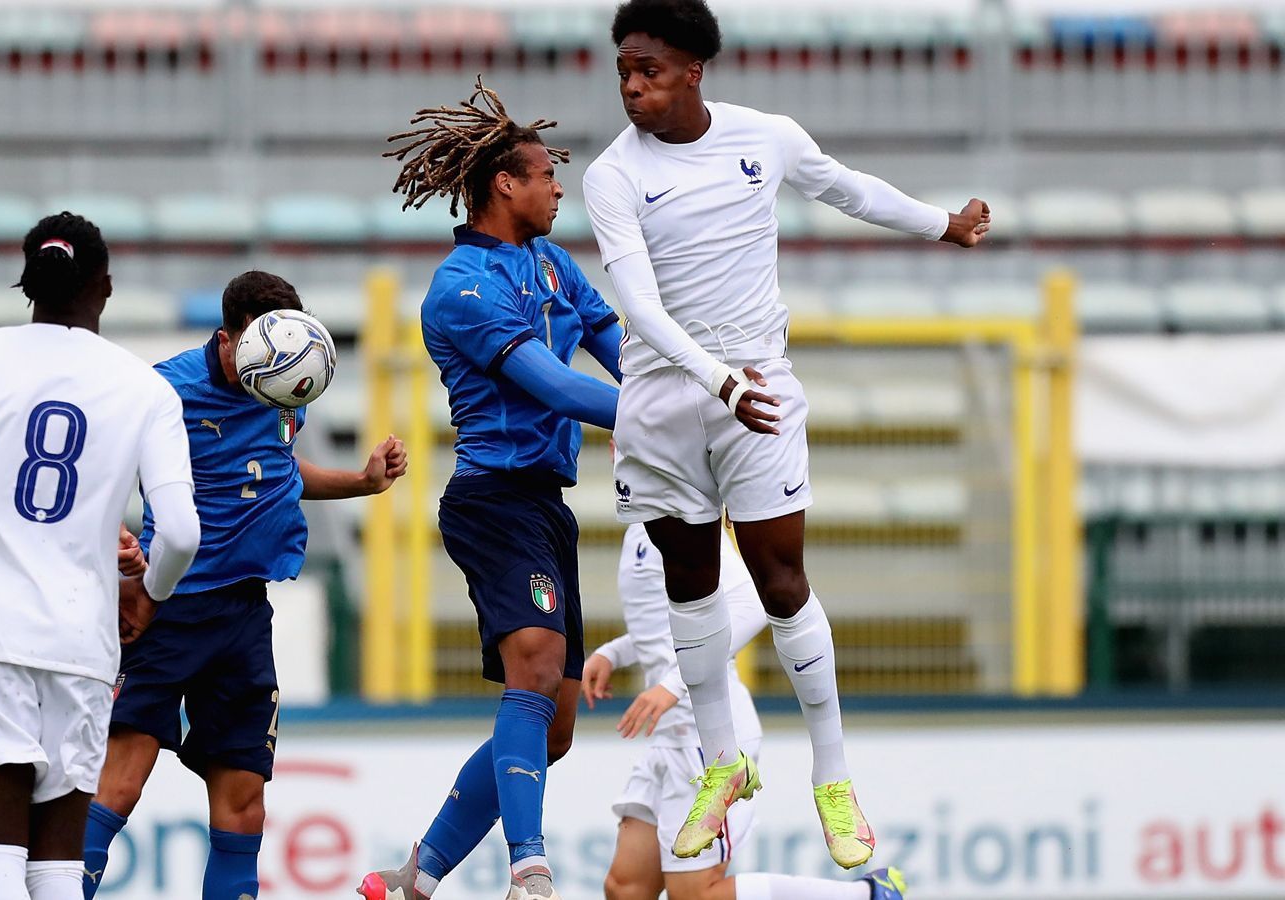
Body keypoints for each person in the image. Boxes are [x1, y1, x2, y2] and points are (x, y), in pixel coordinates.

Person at [581, 0, 993, 867]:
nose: (631, 87)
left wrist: (942, 224)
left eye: (647, 70)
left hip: (756, 390)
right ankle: (723, 765)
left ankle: (833, 780)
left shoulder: (762, 136)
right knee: (688, 589)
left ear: (694, 69)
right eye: (623, 69)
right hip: (666, 402)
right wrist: (713, 381)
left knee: (780, 580)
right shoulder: (613, 175)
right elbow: (640, 307)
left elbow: (846, 188)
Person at [355, 78, 624, 900]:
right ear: (505, 183)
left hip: (546, 505)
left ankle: (420, 873)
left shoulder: (552, 263)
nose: (556, 188)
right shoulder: (462, 287)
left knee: (557, 728)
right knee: (535, 672)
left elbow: (613, 341)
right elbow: (551, 384)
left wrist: (694, 383)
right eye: (546, 175)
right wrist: (670, 415)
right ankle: (529, 869)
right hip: (494, 501)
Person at [80, 270, 409, 900]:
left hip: (244, 615)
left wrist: (362, 482)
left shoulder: (288, 376)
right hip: (166, 606)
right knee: (120, 785)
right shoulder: (164, 390)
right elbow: (94, 474)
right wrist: (111, 543)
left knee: (244, 803)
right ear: (229, 338)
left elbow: (276, 469)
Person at [0, 212, 200, 900]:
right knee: (59, 864)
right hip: (82, 639)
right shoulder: (145, 388)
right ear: (106, 285)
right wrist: (149, 595)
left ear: (28, 282)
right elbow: (180, 532)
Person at [584, 524, 909, 900]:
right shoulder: (641, 525)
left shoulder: (683, 515)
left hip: (705, 740)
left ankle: (869, 895)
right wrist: (614, 653)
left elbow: (751, 606)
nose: (617, 460)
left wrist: (671, 686)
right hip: (669, 737)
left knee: (694, 894)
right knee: (626, 888)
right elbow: (663, 630)